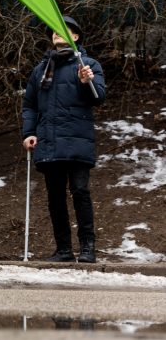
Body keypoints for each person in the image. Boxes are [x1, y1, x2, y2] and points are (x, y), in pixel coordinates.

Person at [22, 16, 106, 263]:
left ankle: (88, 248)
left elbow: (98, 97)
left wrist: (86, 82)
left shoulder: (88, 64)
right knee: (55, 196)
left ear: (76, 37)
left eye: (64, 31)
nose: (57, 33)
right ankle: (64, 250)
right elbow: (29, 105)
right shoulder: (40, 70)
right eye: (55, 31)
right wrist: (28, 133)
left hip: (78, 141)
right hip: (48, 142)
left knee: (80, 191)